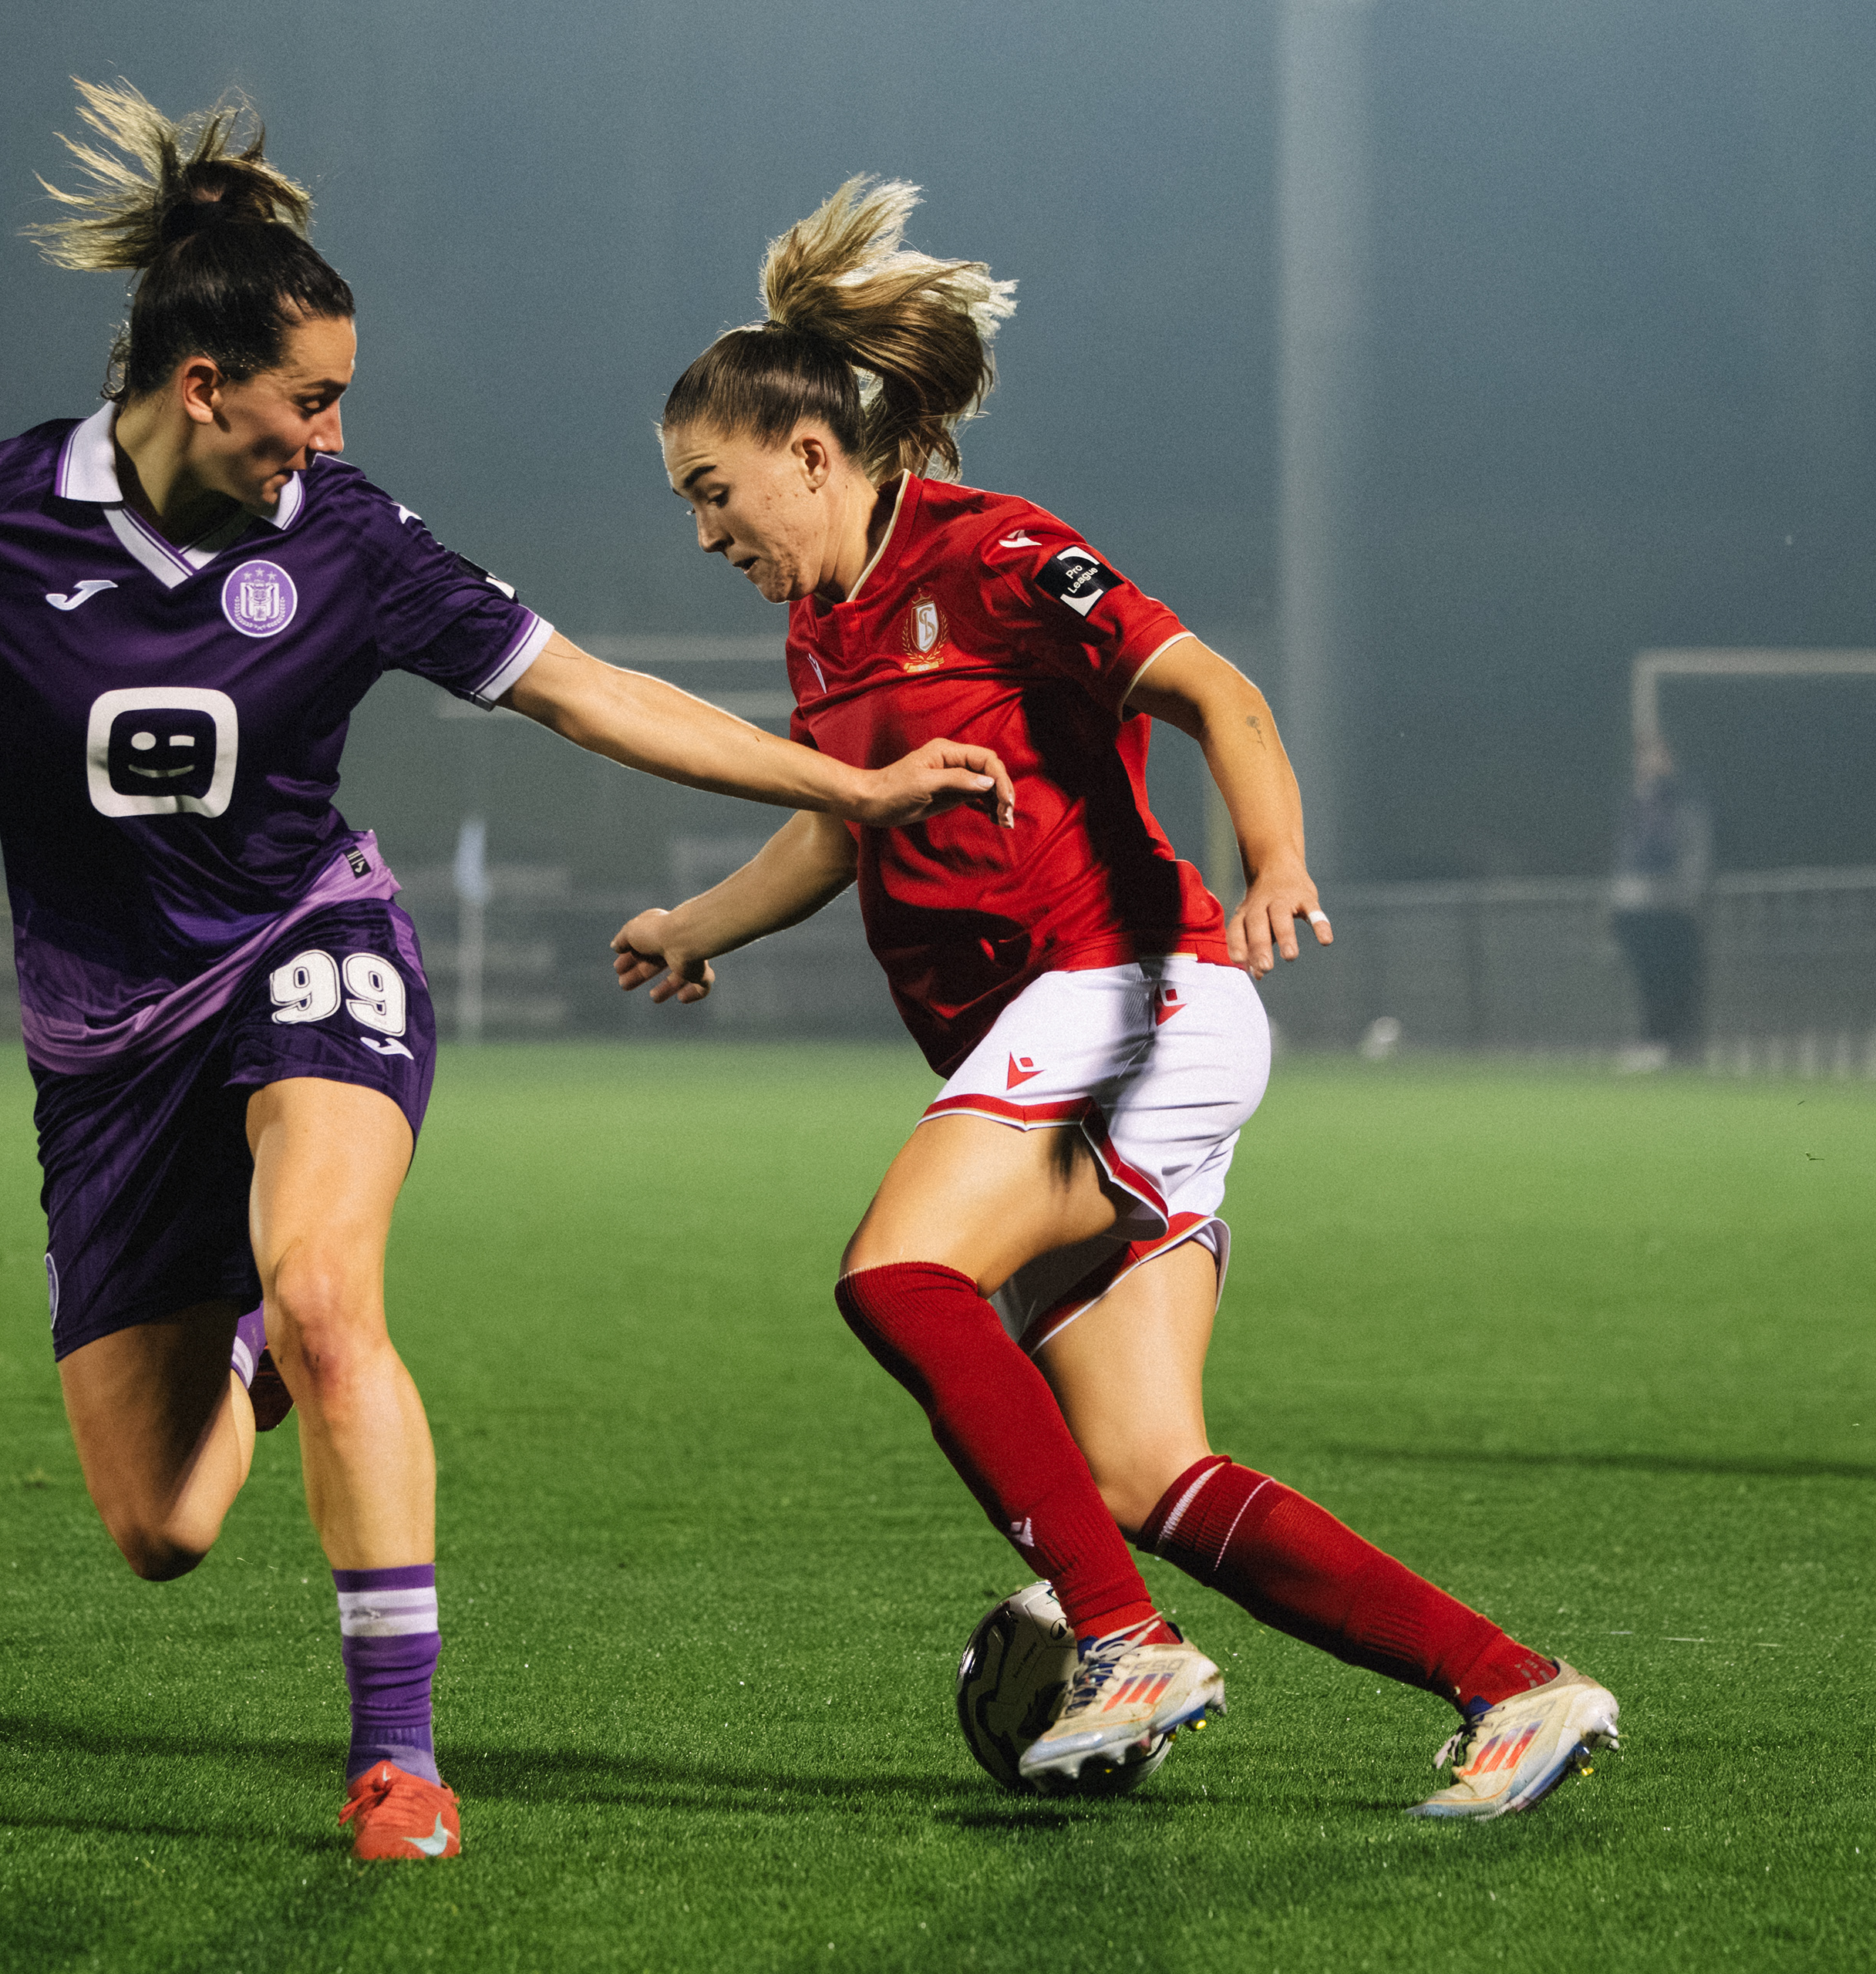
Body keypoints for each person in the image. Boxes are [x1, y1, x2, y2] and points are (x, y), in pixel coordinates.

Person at [0, 89, 1013, 1861]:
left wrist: (843, 780)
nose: (329, 430)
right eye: (307, 397)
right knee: (160, 1523)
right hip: (99, 1047)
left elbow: (587, 690)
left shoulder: (348, 535)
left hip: (304, 948)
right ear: (198, 387)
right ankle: (251, 1339)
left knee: (331, 1293)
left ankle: (393, 1754)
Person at [612, 179, 1619, 1818]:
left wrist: (1275, 856)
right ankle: (1519, 1687)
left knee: (902, 1272)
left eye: (713, 492)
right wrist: (695, 920)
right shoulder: (823, 624)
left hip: (1131, 999)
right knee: (1151, 1468)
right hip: (1073, 1041)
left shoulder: (996, 551)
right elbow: (837, 821)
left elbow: (1210, 684)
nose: (707, 529)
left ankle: (1123, 1643)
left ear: (812, 453)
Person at [1610, 733, 1712, 1071]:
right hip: (1637, 907)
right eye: (1644, 756)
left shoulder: (1682, 801)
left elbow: (1692, 852)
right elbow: (1626, 854)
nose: (1649, 762)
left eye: (1656, 754)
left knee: (1677, 979)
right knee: (1649, 980)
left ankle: (1676, 1046)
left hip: (1673, 905)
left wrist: (1688, 897)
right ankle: (1654, 1044)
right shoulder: (1636, 800)